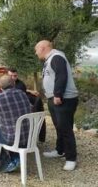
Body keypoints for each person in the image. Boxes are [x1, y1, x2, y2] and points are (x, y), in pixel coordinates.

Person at [35, 40, 79, 171]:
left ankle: (71, 158)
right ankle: (60, 150)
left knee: (65, 129)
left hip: (63, 99)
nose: (36, 53)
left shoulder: (57, 57)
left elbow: (61, 76)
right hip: (54, 98)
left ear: (43, 48)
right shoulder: (50, 59)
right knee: (59, 127)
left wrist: (58, 94)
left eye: (36, 50)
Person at [0, 75, 31, 173]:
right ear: (13, 83)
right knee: (5, 128)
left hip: (12, 138)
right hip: (27, 136)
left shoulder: (0, 98)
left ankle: (5, 159)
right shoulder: (22, 93)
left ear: (0, 86)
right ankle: (15, 157)